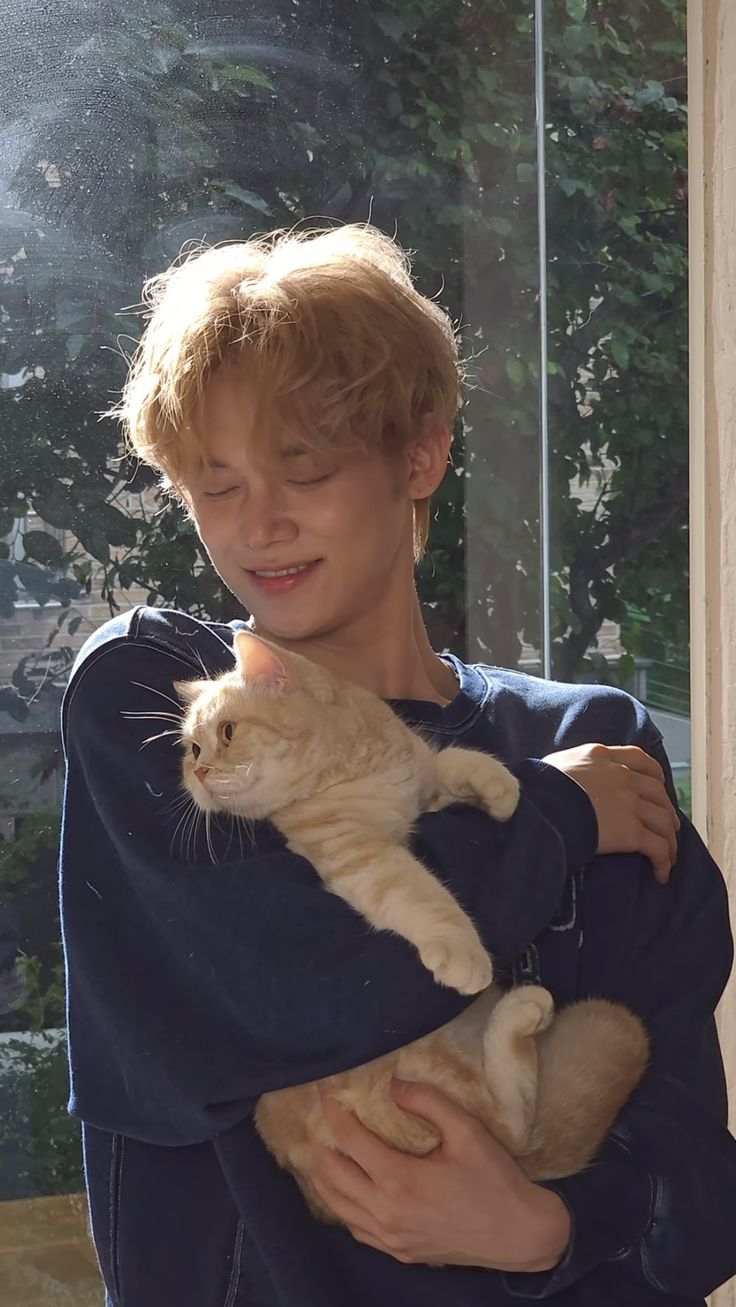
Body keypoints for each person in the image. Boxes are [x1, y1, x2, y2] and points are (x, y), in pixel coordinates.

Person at [60, 223, 736, 1307]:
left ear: (417, 456)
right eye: (215, 484)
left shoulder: (597, 735)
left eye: (305, 470)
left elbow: (696, 1174)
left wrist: (544, 1228)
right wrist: (554, 818)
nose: (258, 526)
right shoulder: (164, 704)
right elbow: (305, 979)